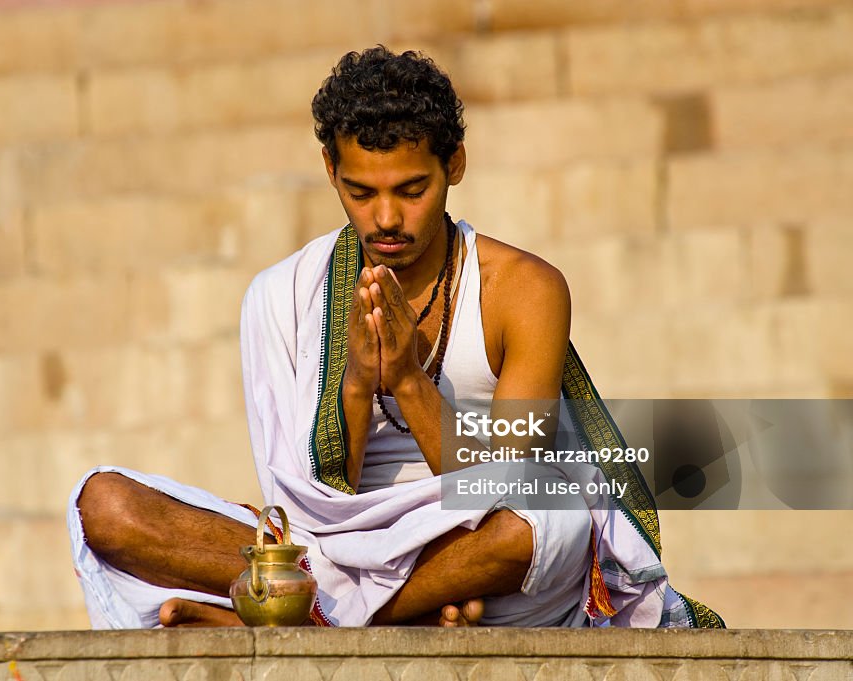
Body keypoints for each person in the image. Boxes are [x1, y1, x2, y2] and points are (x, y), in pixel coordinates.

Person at [67, 46, 724, 629]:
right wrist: (354, 381)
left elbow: (504, 482)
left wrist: (409, 381)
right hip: (337, 546)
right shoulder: (282, 293)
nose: (386, 218)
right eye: (360, 191)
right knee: (105, 504)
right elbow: (303, 493)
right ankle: (367, 607)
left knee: (550, 526)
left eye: (412, 189)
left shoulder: (524, 289)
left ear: (454, 165)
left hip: (471, 543)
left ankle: (301, 611)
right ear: (330, 169)